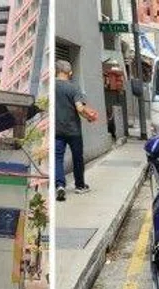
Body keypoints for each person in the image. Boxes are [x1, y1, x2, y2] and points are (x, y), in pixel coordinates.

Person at [55, 60, 98, 202]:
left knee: (57, 158)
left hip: (57, 131)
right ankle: (80, 185)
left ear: (57, 71)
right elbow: (79, 108)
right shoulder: (73, 88)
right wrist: (89, 116)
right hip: (73, 131)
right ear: (70, 73)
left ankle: (60, 185)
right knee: (77, 158)